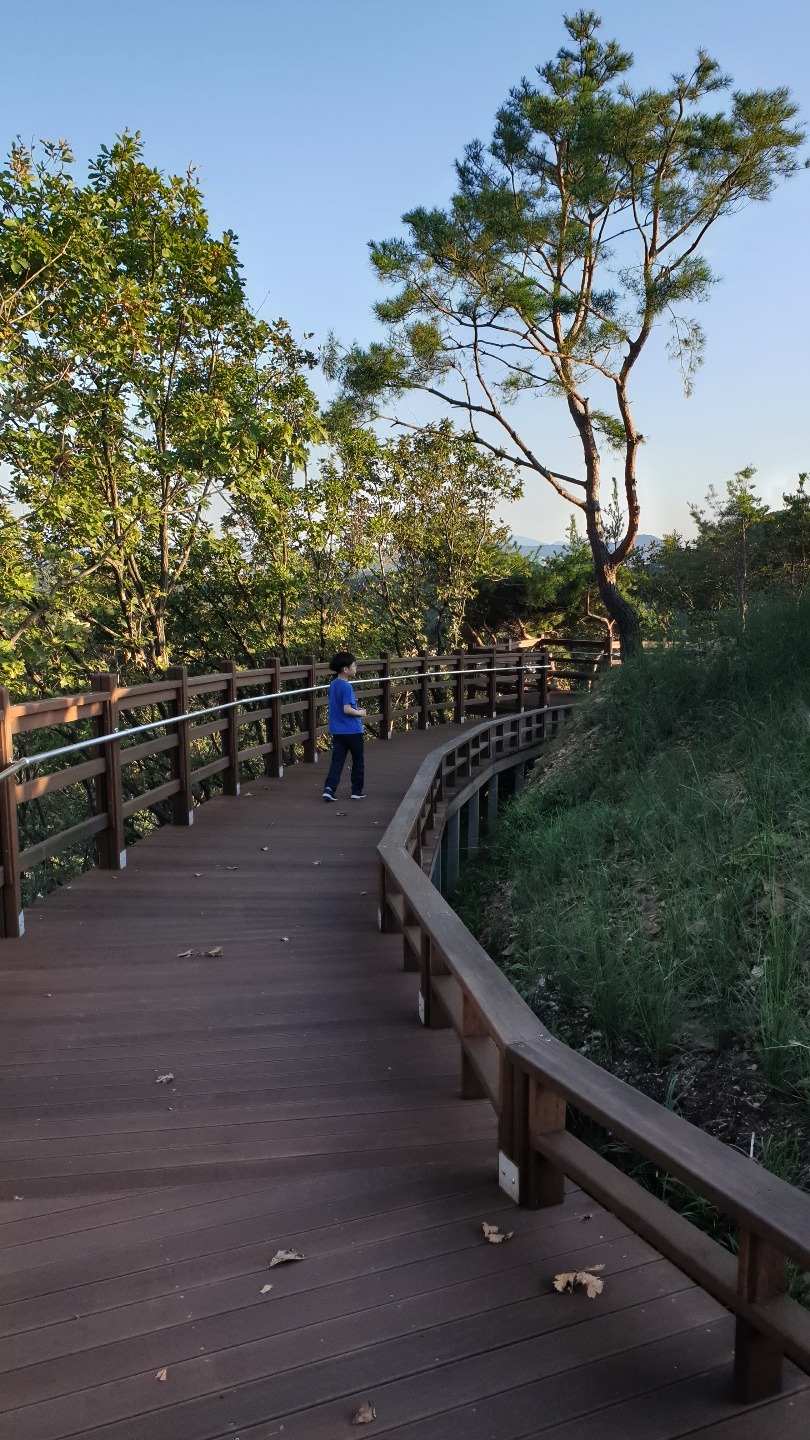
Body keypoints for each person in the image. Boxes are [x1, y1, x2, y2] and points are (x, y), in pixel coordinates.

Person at [323, 652, 366, 801]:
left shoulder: (333, 684)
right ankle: (357, 791)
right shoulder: (346, 687)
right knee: (358, 761)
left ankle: (329, 788)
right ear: (345, 669)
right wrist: (361, 713)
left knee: (337, 761)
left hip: (337, 730)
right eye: (354, 665)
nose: (356, 667)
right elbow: (347, 709)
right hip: (353, 730)